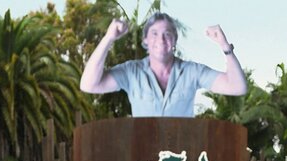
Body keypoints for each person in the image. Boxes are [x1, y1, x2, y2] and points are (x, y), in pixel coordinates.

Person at [81, 12, 247, 117]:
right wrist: (108, 38)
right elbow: (89, 85)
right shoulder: (131, 72)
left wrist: (224, 45)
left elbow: (237, 87)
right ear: (145, 40)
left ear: (174, 40)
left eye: (167, 34)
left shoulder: (192, 71)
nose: (160, 40)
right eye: (154, 34)